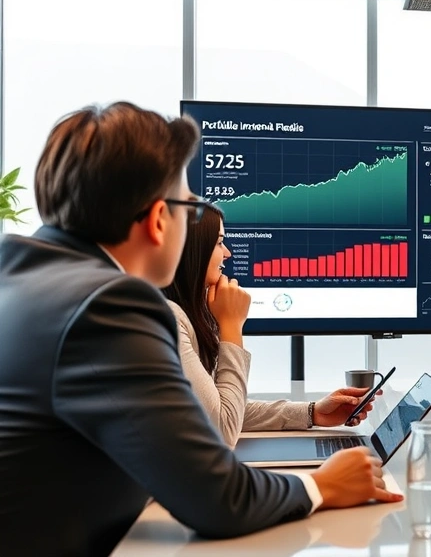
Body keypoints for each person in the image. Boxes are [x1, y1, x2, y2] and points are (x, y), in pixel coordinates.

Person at [0, 102, 402, 556]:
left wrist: (307, 414)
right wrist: (322, 486)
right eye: (190, 209)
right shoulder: (107, 306)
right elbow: (216, 499)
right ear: (157, 220)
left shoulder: (20, 279)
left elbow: (178, 417)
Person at [162, 205, 376, 447]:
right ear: (192, 250)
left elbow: (222, 408)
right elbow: (222, 430)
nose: (228, 254)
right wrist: (231, 325)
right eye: (219, 242)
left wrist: (313, 413)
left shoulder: (183, 315)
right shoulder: (167, 320)